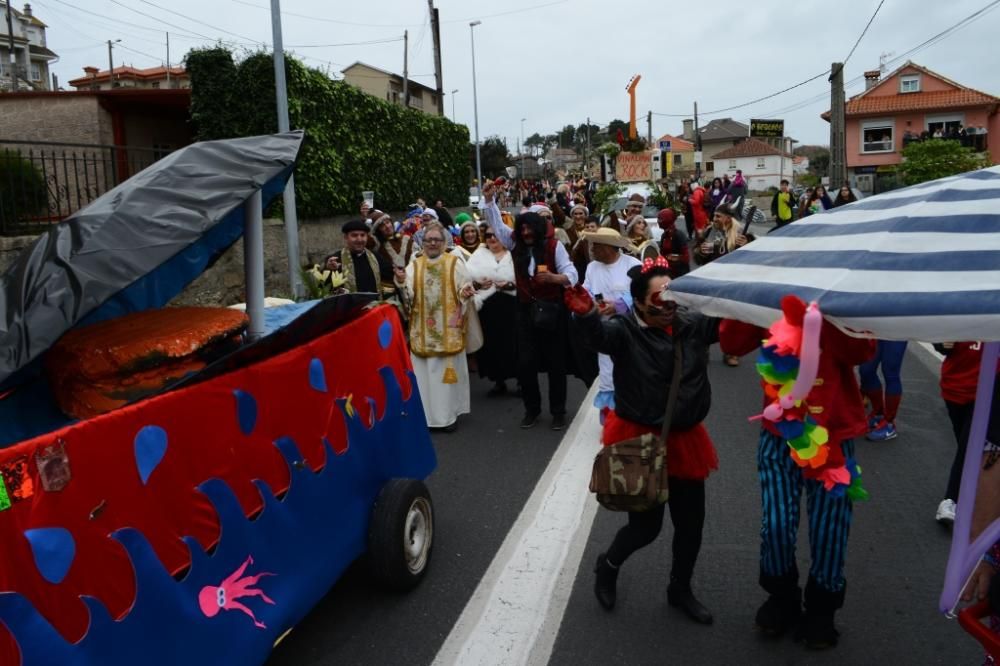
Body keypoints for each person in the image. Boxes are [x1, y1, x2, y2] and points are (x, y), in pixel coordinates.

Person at [566, 259, 720, 625]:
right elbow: (598, 338)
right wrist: (587, 314)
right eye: (659, 299)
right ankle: (608, 565)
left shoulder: (692, 325)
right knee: (645, 528)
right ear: (638, 302)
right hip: (642, 440)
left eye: (673, 298)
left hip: (686, 440)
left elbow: (732, 321)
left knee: (691, 524)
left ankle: (679, 589)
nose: (668, 306)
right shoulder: (623, 330)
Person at [720, 301, 875, 649]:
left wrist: (823, 314)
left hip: (833, 434)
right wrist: (747, 295)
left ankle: (822, 608)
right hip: (780, 432)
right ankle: (782, 595)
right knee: (775, 523)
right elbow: (732, 343)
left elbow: (862, 350)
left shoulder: (841, 291)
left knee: (830, 528)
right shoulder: (771, 289)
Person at [479, 181, 579, 430]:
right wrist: (490, 201)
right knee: (525, 363)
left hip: (552, 309)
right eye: (522, 229)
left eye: (529, 229)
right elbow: (499, 228)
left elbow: (572, 273)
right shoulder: (515, 245)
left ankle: (558, 411)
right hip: (524, 310)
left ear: (537, 228)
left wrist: (556, 278)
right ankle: (531, 409)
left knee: (556, 364)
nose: (525, 234)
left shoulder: (554, 247)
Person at [394, 222, 475, 432]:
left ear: (444, 242)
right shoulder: (416, 264)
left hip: (448, 328)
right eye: (428, 239)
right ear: (422, 241)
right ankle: (427, 418)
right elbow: (408, 292)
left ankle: (448, 417)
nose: (432, 243)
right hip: (423, 330)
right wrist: (402, 281)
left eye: (436, 240)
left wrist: (465, 292)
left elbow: (464, 285)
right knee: (425, 378)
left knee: (446, 379)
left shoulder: (454, 262)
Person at [581, 228, 641, 420]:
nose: (592, 249)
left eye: (596, 245)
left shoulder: (633, 265)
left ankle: (634, 418)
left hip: (632, 331)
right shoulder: (592, 267)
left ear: (609, 247)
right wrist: (591, 305)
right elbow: (586, 290)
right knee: (607, 376)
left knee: (633, 375)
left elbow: (642, 293)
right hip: (605, 331)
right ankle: (611, 423)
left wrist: (619, 305)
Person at [693, 203, 753, 367]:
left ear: (728, 218)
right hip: (711, 282)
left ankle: (731, 352)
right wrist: (700, 252)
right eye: (714, 216)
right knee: (707, 317)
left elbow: (753, 257)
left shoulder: (741, 234)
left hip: (733, 283)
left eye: (718, 216)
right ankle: (703, 348)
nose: (714, 219)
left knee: (731, 320)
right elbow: (697, 254)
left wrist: (748, 245)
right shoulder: (709, 232)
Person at [466, 227, 518, 396]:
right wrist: (479, 285)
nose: (492, 238)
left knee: (514, 343)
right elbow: (465, 280)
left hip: (511, 305)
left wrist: (510, 285)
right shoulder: (478, 255)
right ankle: (498, 381)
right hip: (487, 307)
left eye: (495, 234)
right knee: (492, 344)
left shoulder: (513, 254)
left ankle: (520, 381)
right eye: (488, 235)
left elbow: (525, 279)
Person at [858, 340, 908, 441]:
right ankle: (878, 414)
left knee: (890, 372)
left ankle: (889, 424)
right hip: (876, 329)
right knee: (866, 370)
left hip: (897, 331)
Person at [333, 219, 390, 295]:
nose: (359, 239)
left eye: (362, 235)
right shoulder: (336, 259)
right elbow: (324, 286)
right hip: (349, 306)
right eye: (354, 235)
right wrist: (329, 269)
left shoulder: (375, 257)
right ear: (346, 237)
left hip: (375, 305)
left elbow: (392, 273)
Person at [656, 209, 690, 279]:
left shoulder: (679, 235)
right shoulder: (664, 235)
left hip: (679, 274)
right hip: (667, 272)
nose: (658, 221)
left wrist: (675, 258)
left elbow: (686, 257)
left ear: (668, 220)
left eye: (660, 219)